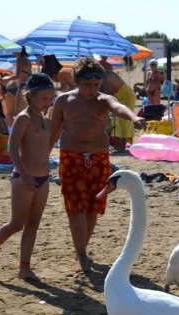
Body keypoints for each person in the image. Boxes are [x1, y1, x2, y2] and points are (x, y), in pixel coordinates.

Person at [49, 57, 145, 273]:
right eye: (86, 84)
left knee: (94, 206)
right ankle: (81, 252)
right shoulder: (63, 101)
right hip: (71, 158)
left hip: (99, 158)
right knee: (76, 207)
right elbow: (53, 132)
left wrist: (134, 118)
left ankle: (82, 247)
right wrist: (41, 160)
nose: (92, 89)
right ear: (76, 80)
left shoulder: (104, 99)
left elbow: (119, 107)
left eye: (96, 84)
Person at [0, 74, 56, 282]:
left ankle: (24, 267)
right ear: (31, 96)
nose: (48, 102)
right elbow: (12, 148)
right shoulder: (24, 118)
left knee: (33, 224)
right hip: (23, 177)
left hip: (43, 179)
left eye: (50, 98)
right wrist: (25, 173)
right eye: (44, 98)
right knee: (16, 223)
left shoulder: (46, 120)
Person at [101, 68, 137, 153]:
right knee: (115, 122)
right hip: (119, 97)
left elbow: (108, 93)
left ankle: (122, 147)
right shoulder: (103, 75)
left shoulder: (105, 76)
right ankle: (117, 147)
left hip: (128, 96)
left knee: (124, 122)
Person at [2, 48, 31, 126]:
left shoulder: (19, 59)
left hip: (21, 87)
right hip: (25, 87)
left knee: (17, 114)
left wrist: (6, 79)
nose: (12, 52)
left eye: (14, 50)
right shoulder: (27, 60)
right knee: (23, 112)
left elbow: (17, 75)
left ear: (19, 50)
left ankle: (13, 133)